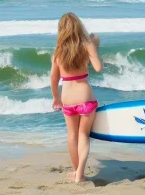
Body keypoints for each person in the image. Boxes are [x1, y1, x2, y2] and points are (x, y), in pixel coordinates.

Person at [50, 13, 103, 183]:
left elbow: (53, 78)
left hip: (67, 98)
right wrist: (94, 48)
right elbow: (98, 68)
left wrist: (55, 98)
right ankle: (79, 173)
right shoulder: (86, 45)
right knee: (83, 135)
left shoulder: (58, 53)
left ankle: (76, 171)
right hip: (85, 96)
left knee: (72, 135)